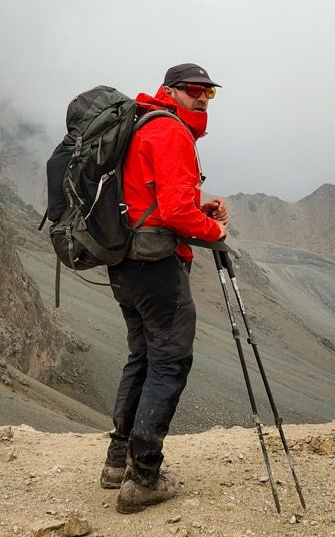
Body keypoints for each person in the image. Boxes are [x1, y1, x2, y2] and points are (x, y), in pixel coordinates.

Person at [101, 63, 229, 514]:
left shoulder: (139, 124)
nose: (202, 98)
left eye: (209, 93)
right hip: (156, 264)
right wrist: (215, 231)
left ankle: (118, 461)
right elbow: (174, 213)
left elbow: (150, 196)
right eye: (194, 90)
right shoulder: (171, 132)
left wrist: (200, 207)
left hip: (124, 263)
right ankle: (144, 476)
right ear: (171, 91)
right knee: (169, 360)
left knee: (141, 355)